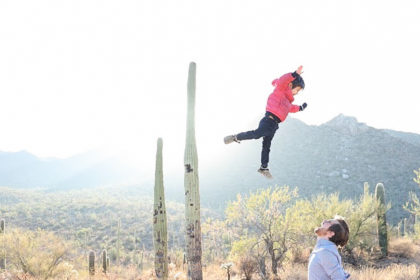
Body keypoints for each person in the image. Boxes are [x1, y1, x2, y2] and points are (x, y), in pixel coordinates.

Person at [223, 66, 307, 178]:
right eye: (297, 90)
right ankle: (235, 137)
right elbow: (283, 80)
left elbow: (291, 108)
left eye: (298, 92)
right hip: (268, 120)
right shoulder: (281, 88)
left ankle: (264, 167)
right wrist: (294, 74)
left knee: (266, 146)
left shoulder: (287, 101)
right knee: (257, 134)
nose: (296, 93)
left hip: (274, 125)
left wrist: (300, 108)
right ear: (291, 84)